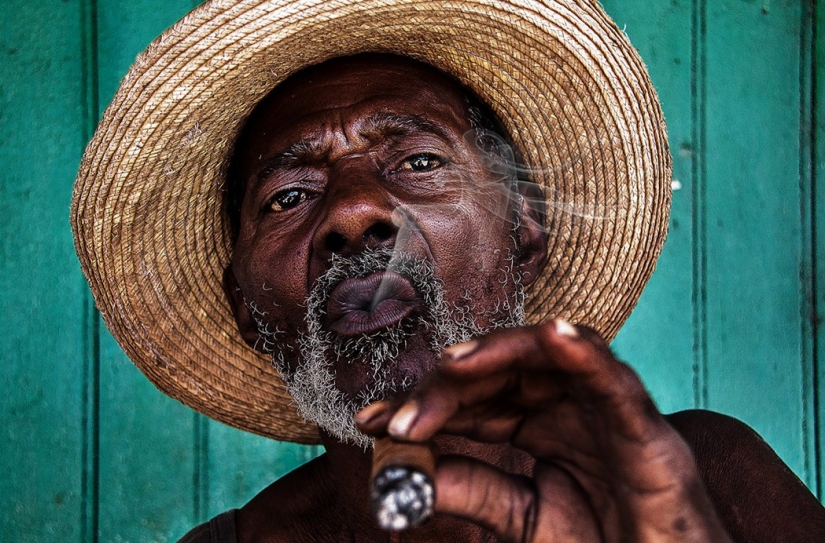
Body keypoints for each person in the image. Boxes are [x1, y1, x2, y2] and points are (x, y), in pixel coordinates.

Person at [71, 0, 825, 541]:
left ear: (523, 235)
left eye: (420, 161)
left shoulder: (710, 479)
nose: (353, 211)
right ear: (247, 309)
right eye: (289, 195)